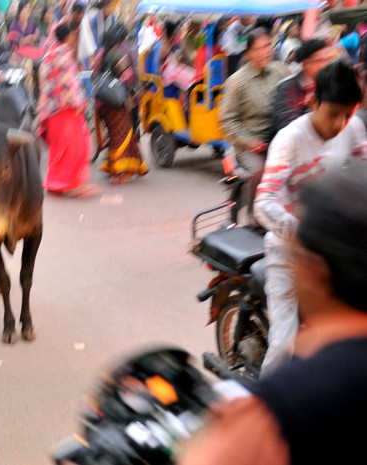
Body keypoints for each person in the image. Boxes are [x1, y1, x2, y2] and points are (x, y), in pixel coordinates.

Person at [179, 164, 367, 465]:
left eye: (297, 257)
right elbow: (264, 200)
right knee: (283, 339)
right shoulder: (289, 139)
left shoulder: (275, 412)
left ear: (316, 270)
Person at [253, 61, 366, 375]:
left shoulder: (353, 127)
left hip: (333, 252)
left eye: (347, 113)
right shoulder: (289, 140)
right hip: (289, 252)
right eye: (333, 114)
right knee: (284, 345)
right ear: (313, 102)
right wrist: (304, 234)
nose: (340, 124)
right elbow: (263, 203)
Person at [220, 27, 288, 222]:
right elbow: (227, 120)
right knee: (262, 172)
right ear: (248, 53)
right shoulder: (237, 81)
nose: (266, 51)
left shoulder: (279, 72)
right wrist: (250, 141)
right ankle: (254, 219)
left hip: (277, 139)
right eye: (259, 48)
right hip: (249, 146)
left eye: (268, 46)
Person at [37, 23, 101, 198]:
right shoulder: (64, 54)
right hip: (65, 109)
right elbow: (70, 84)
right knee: (78, 146)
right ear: (69, 37)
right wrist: (80, 103)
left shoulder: (48, 55)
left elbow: (44, 83)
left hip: (50, 111)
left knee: (58, 150)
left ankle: (54, 183)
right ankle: (72, 184)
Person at [94, 24, 147, 184]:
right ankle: (119, 171)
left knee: (114, 135)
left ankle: (115, 167)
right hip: (117, 102)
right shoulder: (118, 55)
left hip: (102, 103)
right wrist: (138, 93)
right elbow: (128, 78)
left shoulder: (100, 56)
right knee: (122, 136)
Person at [270, 38, 332, 139]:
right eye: (320, 60)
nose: (325, 65)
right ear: (306, 63)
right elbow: (287, 127)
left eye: (327, 60)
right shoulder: (288, 88)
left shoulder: (328, 83)